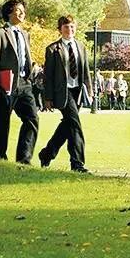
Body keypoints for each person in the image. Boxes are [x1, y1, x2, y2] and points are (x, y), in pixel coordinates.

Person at [0, 0, 39, 164]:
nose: (22, 13)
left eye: (23, 11)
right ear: (9, 13)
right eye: (18, 10)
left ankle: (24, 159)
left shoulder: (25, 34)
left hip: (24, 83)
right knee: (2, 121)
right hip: (4, 84)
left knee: (32, 118)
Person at [38, 15, 92, 173]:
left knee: (67, 126)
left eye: (72, 26)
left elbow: (85, 71)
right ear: (60, 29)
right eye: (66, 27)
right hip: (63, 92)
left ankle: (47, 154)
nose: (70, 29)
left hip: (77, 91)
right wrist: (47, 98)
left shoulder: (81, 46)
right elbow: (48, 76)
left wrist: (89, 90)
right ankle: (77, 164)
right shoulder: (53, 49)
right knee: (75, 125)